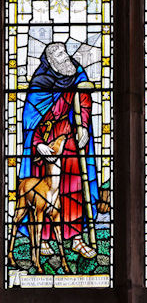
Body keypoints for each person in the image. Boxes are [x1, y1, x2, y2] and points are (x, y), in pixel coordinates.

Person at [19, 42, 98, 258]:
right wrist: (37, 144)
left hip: (70, 138)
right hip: (45, 139)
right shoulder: (40, 83)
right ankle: (43, 237)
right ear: (51, 62)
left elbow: (83, 102)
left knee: (73, 187)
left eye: (65, 53)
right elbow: (30, 118)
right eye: (59, 56)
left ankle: (75, 238)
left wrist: (83, 128)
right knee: (44, 189)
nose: (65, 58)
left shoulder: (77, 73)